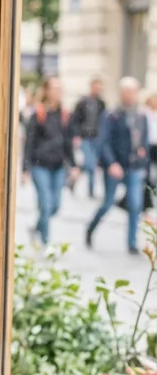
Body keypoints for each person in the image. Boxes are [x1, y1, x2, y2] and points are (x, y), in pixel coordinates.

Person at [86, 76, 149, 256]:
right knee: (107, 203)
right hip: (115, 167)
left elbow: (143, 140)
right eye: (128, 92)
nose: (131, 95)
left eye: (134, 92)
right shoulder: (112, 115)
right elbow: (103, 142)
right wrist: (111, 163)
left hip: (134, 167)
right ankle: (91, 228)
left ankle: (131, 243)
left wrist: (143, 156)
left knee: (135, 205)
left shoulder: (141, 115)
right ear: (122, 93)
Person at [22, 76, 77, 246]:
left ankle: (37, 227)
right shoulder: (38, 114)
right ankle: (46, 242)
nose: (58, 92)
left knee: (55, 206)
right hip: (40, 165)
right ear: (46, 90)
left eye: (60, 88)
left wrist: (74, 165)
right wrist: (25, 169)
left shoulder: (65, 115)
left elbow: (68, 142)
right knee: (46, 204)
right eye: (54, 88)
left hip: (59, 166)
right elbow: (29, 143)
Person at [70, 77, 106, 200]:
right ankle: (75, 179)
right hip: (84, 136)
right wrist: (76, 135)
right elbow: (74, 120)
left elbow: (103, 121)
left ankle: (89, 189)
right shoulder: (82, 102)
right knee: (89, 163)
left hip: (96, 138)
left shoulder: (101, 103)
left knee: (92, 165)